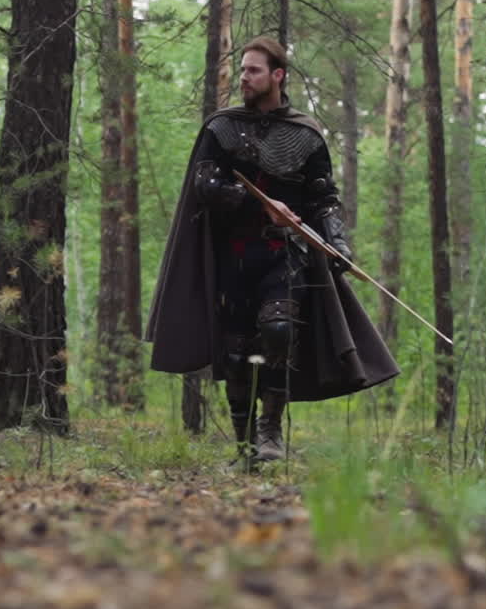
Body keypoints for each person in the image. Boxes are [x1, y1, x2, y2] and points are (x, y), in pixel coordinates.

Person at [146, 36, 399, 464]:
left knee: (279, 330)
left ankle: (270, 434)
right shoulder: (221, 128)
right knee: (236, 350)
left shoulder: (306, 134)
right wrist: (259, 203)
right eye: (243, 70)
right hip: (231, 257)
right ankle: (244, 447)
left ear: (277, 75)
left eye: (253, 70)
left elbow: (323, 198)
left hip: (285, 255)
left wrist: (337, 242)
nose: (244, 77)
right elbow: (206, 188)